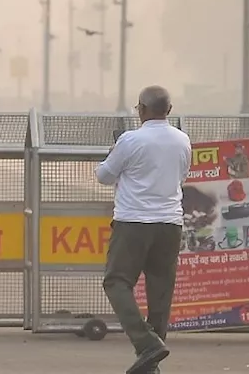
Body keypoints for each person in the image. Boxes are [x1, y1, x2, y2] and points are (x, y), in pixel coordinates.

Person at [96, 85, 190, 374]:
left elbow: (103, 175)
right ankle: (151, 360)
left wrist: (113, 153)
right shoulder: (183, 140)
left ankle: (146, 343)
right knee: (160, 289)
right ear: (169, 111)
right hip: (170, 224)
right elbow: (181, 176)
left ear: (141, 109)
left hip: (133, 223)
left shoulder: (130, 140)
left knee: (116, 281)